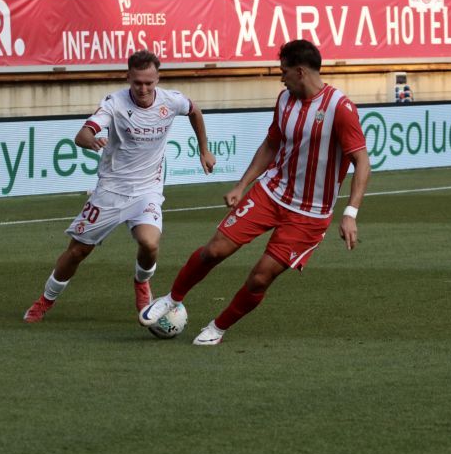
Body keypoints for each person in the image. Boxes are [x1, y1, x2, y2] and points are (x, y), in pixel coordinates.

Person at [139, 39, 369, 345]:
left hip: (308, 215)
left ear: (300, 71)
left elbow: (362, 161)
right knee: (214, 250)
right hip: (270, 193)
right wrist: (242, 185)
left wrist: (350, 213)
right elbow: (272, 144)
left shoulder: (340, 109)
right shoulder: (285, 99)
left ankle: (218, 327)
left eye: (284, 70)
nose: (280, 76)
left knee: (261, 277)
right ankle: (172, 297)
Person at [24, 50, 216, 323]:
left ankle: (141, 283)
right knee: (78, 251)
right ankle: (44, 301)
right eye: (137, 82)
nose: (143, 88)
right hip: (112, 191)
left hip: (148, 188)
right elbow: (83, 134)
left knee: (150, 243)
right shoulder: (114, 103)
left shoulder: (170, 101)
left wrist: (204, 150)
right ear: (128, 77)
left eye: (149, 82)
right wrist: (90, 140)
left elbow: (194, 110)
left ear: (157, 78)